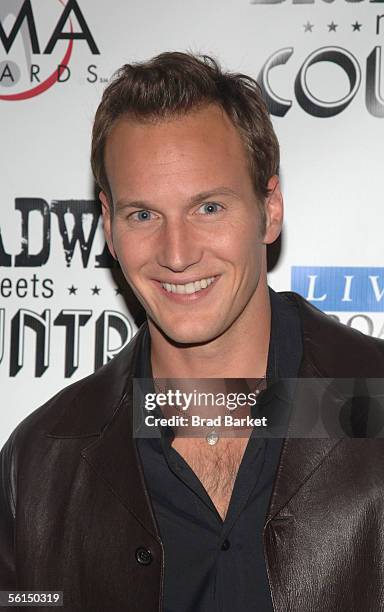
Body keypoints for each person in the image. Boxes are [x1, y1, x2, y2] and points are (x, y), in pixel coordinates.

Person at [1, 52, 383, 612]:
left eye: (208, 207)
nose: (176, 255)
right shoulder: (40, 465)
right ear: (107, 224)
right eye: (143, 215)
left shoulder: (375, 400)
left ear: (270, 208)